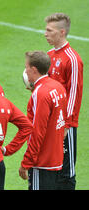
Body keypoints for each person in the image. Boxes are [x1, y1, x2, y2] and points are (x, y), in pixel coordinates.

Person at [44, 13, 83, 190]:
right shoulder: (49, 55)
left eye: (49, 30)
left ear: (61, 32)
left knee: (66, 171)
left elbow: (74, 93)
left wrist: (67, 124)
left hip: (65, 124)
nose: (45, 33)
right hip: (49, 120)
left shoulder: (72, 59)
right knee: (50, 166)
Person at [19, 51, 67, 190]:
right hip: (56, 159)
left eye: (26, 67)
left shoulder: (41, 93)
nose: (25, 71)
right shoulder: (58, 87)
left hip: (42, 162)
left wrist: (26, 162)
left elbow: (37, 132)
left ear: (34, 70)